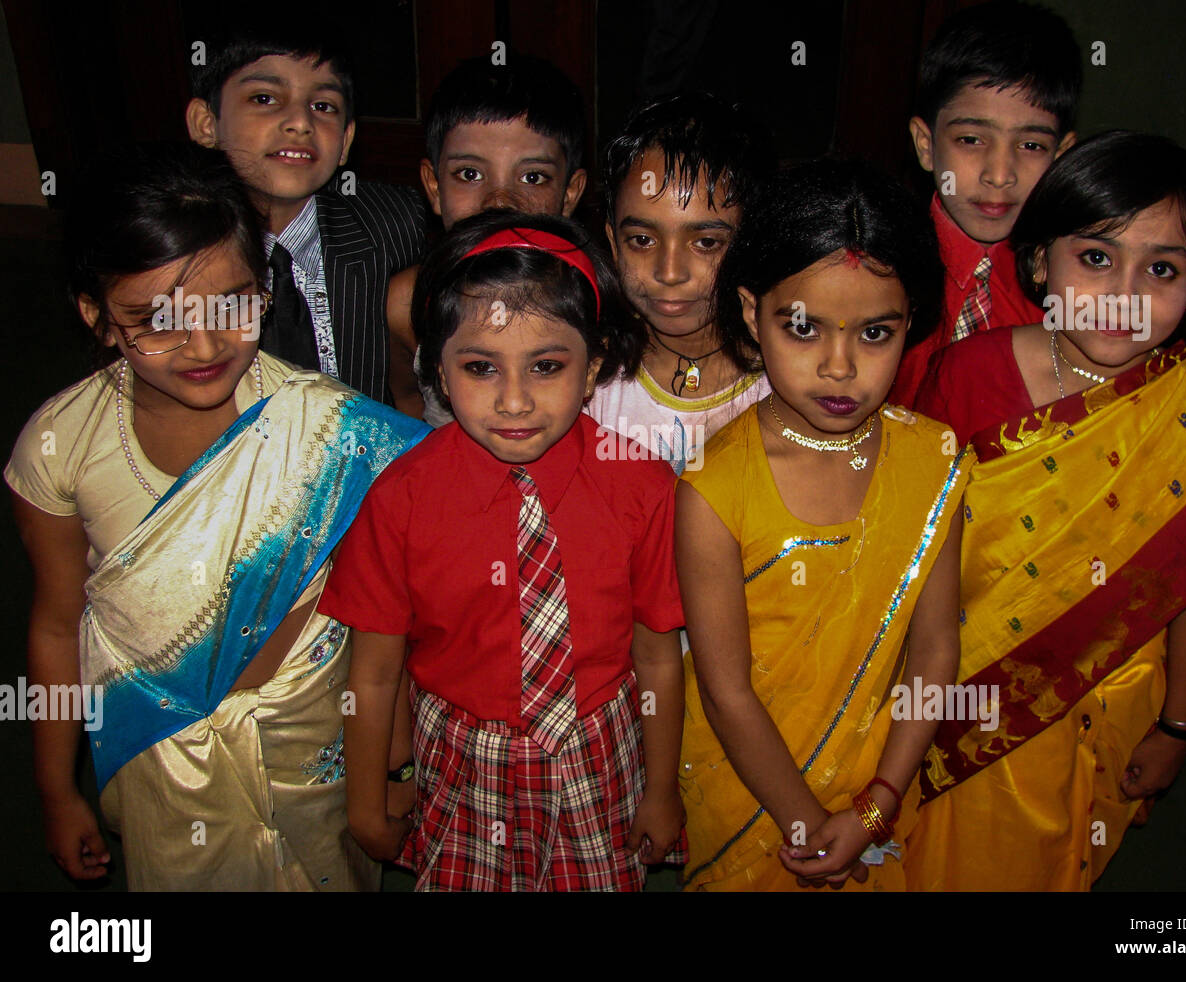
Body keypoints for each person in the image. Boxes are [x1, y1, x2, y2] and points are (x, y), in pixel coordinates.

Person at [5, 143, 429, 890]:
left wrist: (391, 760)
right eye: (156, 321)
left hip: (319, 736)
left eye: (230, 304)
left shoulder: (327, 428)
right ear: (97, 317)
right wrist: (56, 790)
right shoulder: (60, 447)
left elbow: (391, 614)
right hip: (161, 755)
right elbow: (54, 623)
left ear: (265, 289)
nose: (202, 346)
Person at [906, 132, 1186, 890]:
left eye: (1160, 269)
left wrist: (1179, 724)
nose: (1125, 292)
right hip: (959, 682)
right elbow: (915, 545)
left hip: (1105, 689)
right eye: (1095, 258)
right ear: (1037, 262)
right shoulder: (972, 373)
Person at [317, 212, 688, 890]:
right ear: (436, 365)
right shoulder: (400, 497)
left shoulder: (642, 486)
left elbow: (658, 656)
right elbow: (373, 673)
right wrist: (371, 798)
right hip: (462, 761)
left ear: (595, 363)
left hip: (595, 754)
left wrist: (660, 790)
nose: (514, 401)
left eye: (546, 366)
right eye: (481, 367)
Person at [676, 160, 970, 891]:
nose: (840, 367)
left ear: (911, 323)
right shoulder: (712, 489)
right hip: (750, 790)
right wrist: (806, 826)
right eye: (803, 328)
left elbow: (935, 647)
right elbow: (726, 693)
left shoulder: (935, 460)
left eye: (876, 332)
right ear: (752, 312)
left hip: (881, 769)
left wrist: (881, 802)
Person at [186, 18, 429, 404]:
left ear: (346, 140)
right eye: (264, 98)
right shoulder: (171, 248)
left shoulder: (397, 225)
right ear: (206, 124)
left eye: (323, 106)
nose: (300, 122)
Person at [890, 0, 1081, 406]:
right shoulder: (879, 266)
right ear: (926, 146)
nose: (999, 174)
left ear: (1061, 156)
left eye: (1031, 145)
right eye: (971, 140)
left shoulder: (1076, 290)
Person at [386, 53, 590, 426]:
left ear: (570, 193)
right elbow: (407, 402)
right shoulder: (406, 302)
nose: (499, 201)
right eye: (469, 173)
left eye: (532, 178)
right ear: (434, 186)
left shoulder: (593, 301)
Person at [588, 92, 774, 475]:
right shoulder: (589, 379)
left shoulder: (782, 383)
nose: (670, 272)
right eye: (642, 240)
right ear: (613, 243)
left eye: (706, 243)